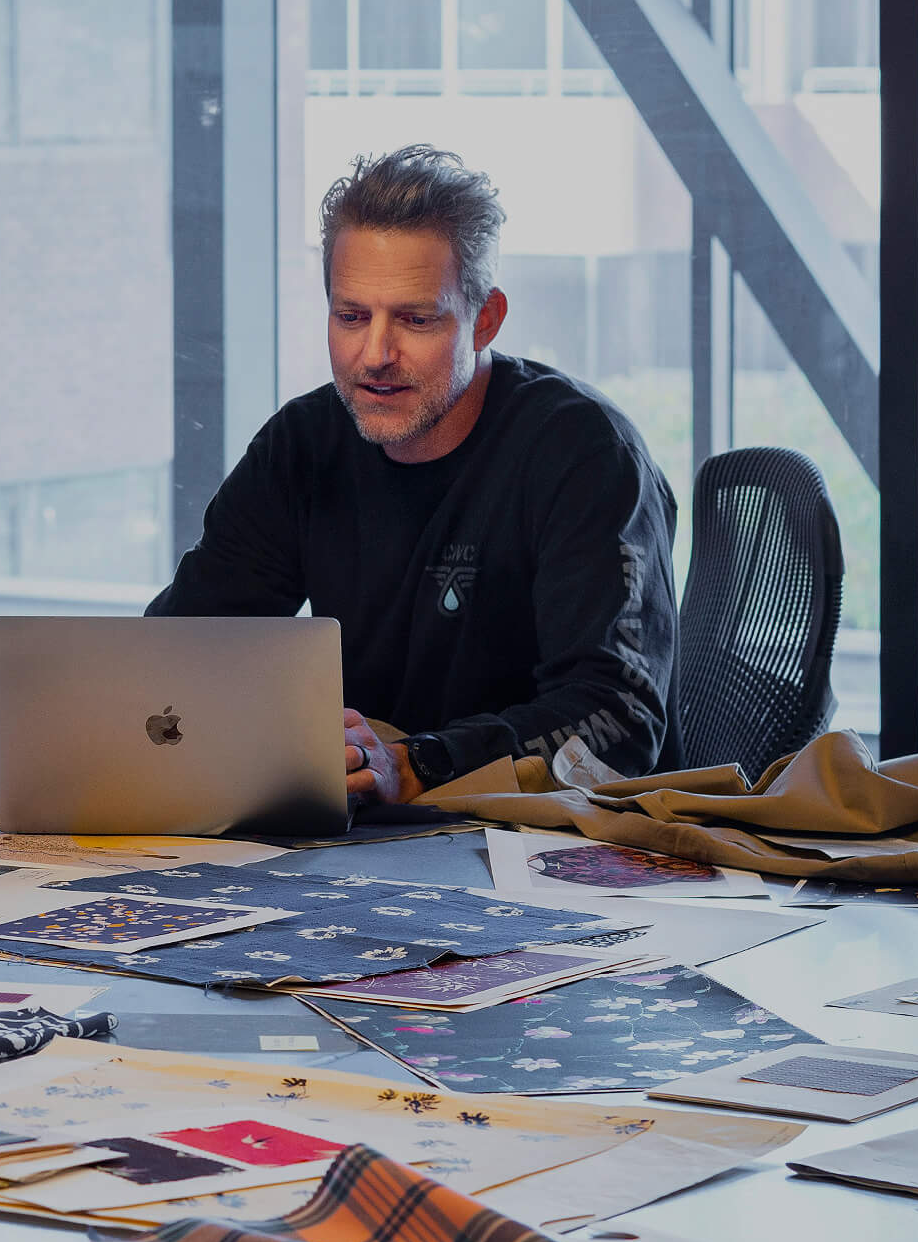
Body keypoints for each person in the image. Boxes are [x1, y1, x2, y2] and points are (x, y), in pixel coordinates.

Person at [148, 145, 679, 799]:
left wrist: (413, 763)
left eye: (415, 319)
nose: (375, 354)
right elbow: (179, 653)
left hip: (544, 848)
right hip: (360, 838)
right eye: (351, 317)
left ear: (484, 319)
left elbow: (616, 718)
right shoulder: (303, 446)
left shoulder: (586, 454)